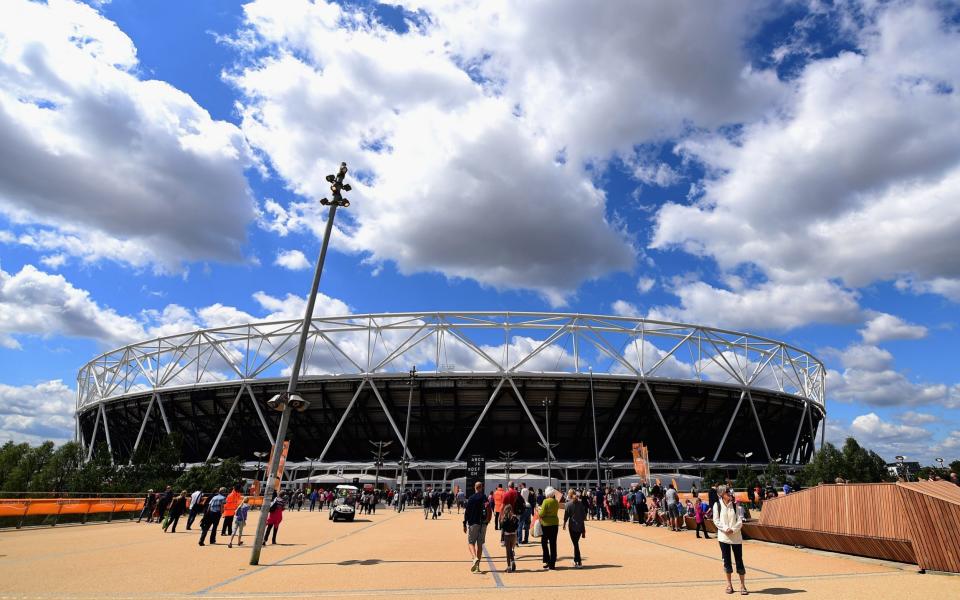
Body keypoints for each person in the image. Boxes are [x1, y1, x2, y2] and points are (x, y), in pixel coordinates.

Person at [714, 488, 747, 595]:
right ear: (722, 494)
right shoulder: (717, 505)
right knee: (726, 561)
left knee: (739, 560)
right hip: (724, 538)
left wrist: (733, 529)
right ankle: (729, 585)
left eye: (730, 493)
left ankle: (742, 585)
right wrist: (725, 529)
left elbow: (740, 519)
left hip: (736, 537)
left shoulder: (735, 505)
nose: (730, 494)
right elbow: (716, 520)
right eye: (727, 493)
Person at [463, 481, 491, 573]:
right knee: (480, 545)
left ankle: (474, 558)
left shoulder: (471, 498)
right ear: (482, 488)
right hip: (483, 524)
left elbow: (467, 512)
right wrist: (487, 521)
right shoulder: (484, 497)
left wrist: (464, 524)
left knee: (471, 542)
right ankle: (478, 566)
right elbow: (488, 509)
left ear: (475, 488)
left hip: (473, 523)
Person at [563, 490, 587, 568]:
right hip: (580, 526)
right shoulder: (580, 504)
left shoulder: (568, 504)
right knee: (576, 543)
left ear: (569, 496)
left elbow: (566, 516)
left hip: (572, 526)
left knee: (575, 544)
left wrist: (564, 524)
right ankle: (575, 559)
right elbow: (584, 516)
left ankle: (578, 561)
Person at [538, 486, 560, 570]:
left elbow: (542, 514)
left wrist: (539, 510)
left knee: (544, 542)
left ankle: (547, 559)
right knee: (553, 543)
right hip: (554, 524)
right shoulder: (556, 502)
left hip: (546, 524)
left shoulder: (545, 501)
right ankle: (552, 563)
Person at [500, 504, 519, 572]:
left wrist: (502, 539)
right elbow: (517, 527)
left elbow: (502, 527)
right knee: (511, 549)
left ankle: (508, 566)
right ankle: (513, 561)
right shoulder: (514, 517)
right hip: (514, 535)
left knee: (508, 551)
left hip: (507, 536)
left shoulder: (504, 518)